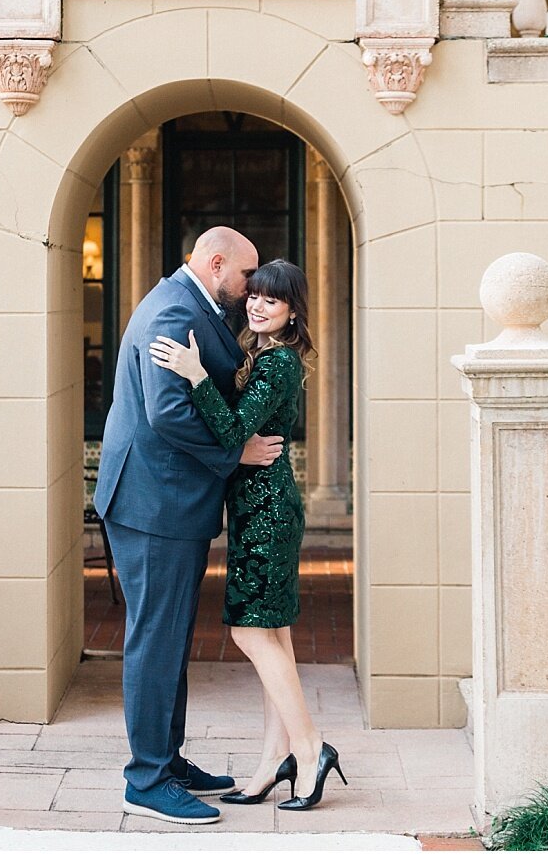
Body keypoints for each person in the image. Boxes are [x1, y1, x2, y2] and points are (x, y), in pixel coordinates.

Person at [95, 227, 283, 826]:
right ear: (218, 263)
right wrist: (238, 454)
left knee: (170, 636)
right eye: (247, 276)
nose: (251, 288)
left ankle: (166, 762)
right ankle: (146, 780)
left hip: (168, 503)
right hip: (154, 506)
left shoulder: (190, 306)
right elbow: (168, 412)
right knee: (156, 639)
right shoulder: (173, 312)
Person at [151, 258, 347, 812]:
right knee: (274, 635)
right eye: (254, 296)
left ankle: (310, 749)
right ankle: (272, 762)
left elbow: (235, 429)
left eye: (272, 301)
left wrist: (193, 376)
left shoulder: (277, 364)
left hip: (266, 511)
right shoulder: (261, 357)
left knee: (249, 633)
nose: (258, 306)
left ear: (292, 311)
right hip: (260, 504)